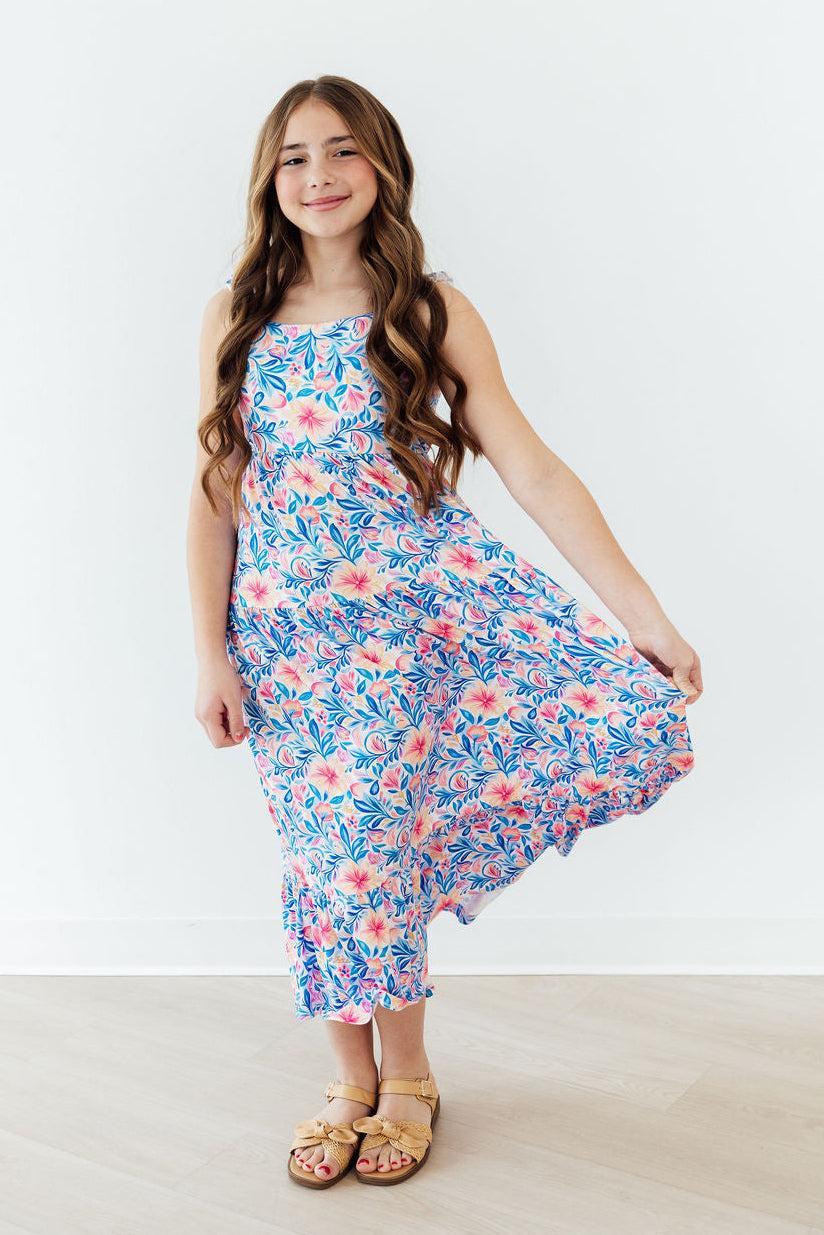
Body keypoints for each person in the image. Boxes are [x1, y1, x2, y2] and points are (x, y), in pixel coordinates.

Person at [186, 74, 701, 1189]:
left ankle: (405, 1075)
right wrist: (211, 651)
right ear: (268, 180)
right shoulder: (239, 315)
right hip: (284, 646)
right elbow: (213, 492)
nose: (317, 177)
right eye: (293, 158)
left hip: (406, 630)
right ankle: (347, 1078)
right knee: (322, 858)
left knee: (376, 841)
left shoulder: (427, 308)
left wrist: (644, 618)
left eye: (340, 153)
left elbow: (531, 467)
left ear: (380, 167)